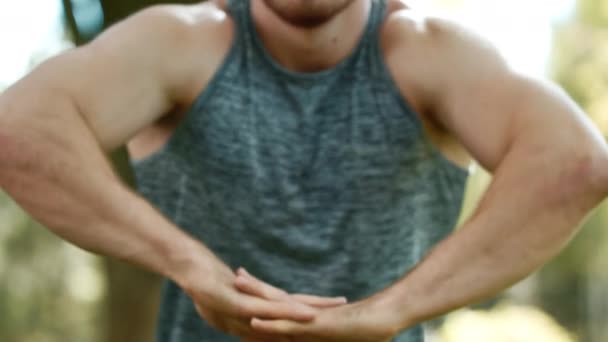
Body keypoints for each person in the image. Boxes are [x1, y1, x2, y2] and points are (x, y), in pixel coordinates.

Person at [0, 0, 606, 340]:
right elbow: (17, 129)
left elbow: (574, 163)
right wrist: (188, 265)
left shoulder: (431, 52)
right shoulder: (181, 42)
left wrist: (388, 310)